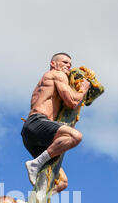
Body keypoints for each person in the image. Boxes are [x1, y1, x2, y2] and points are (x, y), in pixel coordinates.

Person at [21, 52, 91, 193]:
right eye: (65, 62)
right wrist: (83, 90)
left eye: (70, 64)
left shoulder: (50, 80)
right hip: (38, 122)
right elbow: (72, 102)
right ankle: (35, 164)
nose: (68, 66)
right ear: (54, 64)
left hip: (32, 133)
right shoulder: (57, 74)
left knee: (62, 182)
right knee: (75, 136)